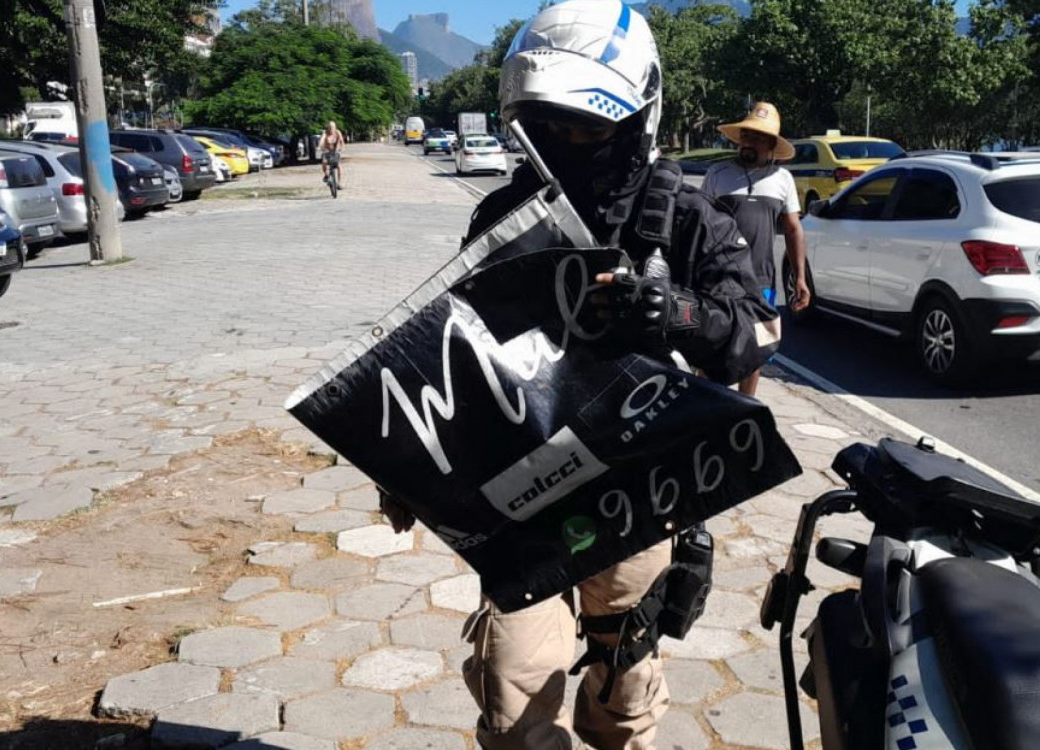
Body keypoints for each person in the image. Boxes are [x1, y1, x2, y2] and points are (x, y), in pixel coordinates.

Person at [379, 2, 778, 748]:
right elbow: (449, 350)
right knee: (511, 688)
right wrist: (404, 458)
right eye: (547, 125)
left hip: (639, 491)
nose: (565, 144)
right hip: (521, 493)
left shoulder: (689, 219)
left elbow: (758, 331)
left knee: (624, 691)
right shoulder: (503, 215)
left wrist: (678, 314)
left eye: (587, 126)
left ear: (636, 117)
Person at [700, 101, 811, 397]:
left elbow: (792, 229)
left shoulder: (783, 180)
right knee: (711, 348)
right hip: (717, 279)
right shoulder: (718, 174)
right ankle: (705, 407)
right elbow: (698, 224)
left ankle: (743, 409)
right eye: (747, 136)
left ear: (772, 145)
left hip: (761, 283)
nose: (750, 143)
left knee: (755, 352)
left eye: (760, 138)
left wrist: (800, 278)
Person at [319, 121, 346, 188]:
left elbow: (341, 141)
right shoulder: (325, 133)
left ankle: (339, 183)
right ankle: (326, 175)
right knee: (324, 162)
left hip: (336, 151)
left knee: (339, 166)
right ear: (328, 128)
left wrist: (342, 148)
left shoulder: (337, 132)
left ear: (335, 127)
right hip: (327, 151)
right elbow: (322, 140)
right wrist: (319, 146)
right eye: (330, 127)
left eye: (333, 127)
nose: (331, 129)